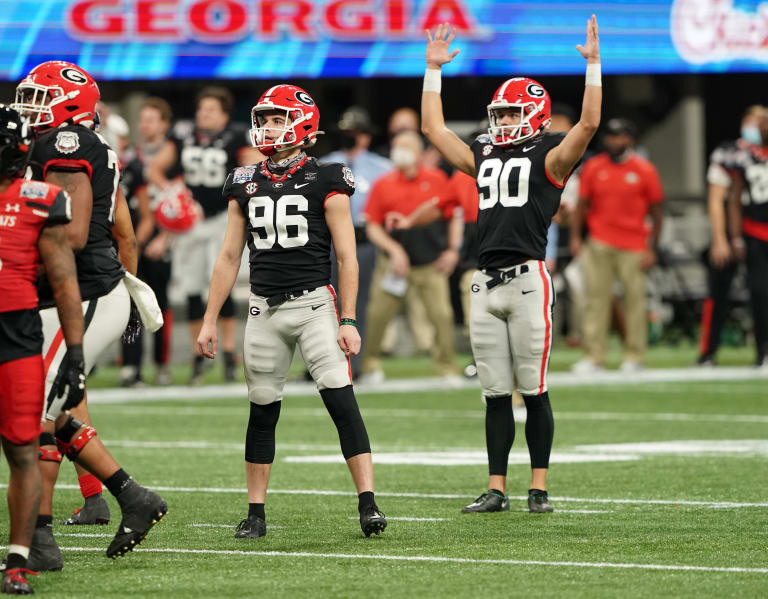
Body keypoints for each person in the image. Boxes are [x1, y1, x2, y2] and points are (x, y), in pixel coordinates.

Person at [421, 17, 601, 512]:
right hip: (484, 282)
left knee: (533, 388)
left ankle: (538, 486)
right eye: (498, 114)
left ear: (537, 115)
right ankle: (496, 487)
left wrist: (593, 69)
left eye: (512, 113)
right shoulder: (483, 151)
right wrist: (432, 71)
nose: (501, 122)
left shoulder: (551, 154)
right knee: (494, 393)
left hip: (527, 280)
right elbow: (432, 129)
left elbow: (587, 125)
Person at [197, 84, 387, 538]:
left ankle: (368, 503)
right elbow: (228, 256)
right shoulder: (244, 180)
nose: (267, 127)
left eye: (277, 119)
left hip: (314, 304)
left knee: (341, 400)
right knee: (262, 410)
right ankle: (256, 513)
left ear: (301, 125)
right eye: (263, 119)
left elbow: (347, 256)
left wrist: (348, 318)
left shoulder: (328, 177)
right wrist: (209, 319)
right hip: (264, 309)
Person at [12, 60, 167, 568]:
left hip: (85, 292)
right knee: (51, 413)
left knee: (36, 414)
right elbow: (121, 227)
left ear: (68, 105)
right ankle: (131, 497)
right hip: (72, 293)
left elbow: (73, 235)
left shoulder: (69, 143)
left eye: (40, 97)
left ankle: (39, 538)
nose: (29, 107)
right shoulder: (65, 146)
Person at [0, 105, 85, 596]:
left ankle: (17, 560)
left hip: (16, 336)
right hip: (18, 334)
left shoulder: (40, 200)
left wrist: (74, 352)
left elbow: (64, 280)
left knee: (22, 447)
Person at [148, 87, 262, 384]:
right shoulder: (184, 134)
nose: (204, 114)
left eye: (211, 110)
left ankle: (226, 353)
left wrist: (240, 195)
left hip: (224, 217)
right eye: (201, 109)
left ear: (224, 114)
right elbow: (155, 170)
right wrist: (174, 193)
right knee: (191, 288)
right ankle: (199, 356)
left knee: (220, 284)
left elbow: (256, 168)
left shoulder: (237, 135)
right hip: (191, 221)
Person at [360, 130, 461, 382]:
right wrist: (394, 251)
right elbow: (372, 225)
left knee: (442, 316)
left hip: (430, 263)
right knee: (377, 315)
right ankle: (370, 365)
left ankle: (447, 367)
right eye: (396, 146)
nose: (398, 151)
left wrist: (452, 249)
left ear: (419, 152)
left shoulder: (437, 178)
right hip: (393, 265)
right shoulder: (383, 183)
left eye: (404, 146)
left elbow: (453, 215)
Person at [570, 118, 663, 373]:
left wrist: (652, 247)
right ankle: (594, 356)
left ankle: (634, 355)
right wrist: (576, 237)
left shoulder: (644, 170)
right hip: (599, 242)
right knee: (595, 300)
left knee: (635, 301)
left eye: (620, 136)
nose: (614, 141)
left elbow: (657, 212)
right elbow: (582, 206)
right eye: (611, 136)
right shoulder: (593, 167)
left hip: (634, 244)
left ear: (630, 140)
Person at [321, 107, 392, 377]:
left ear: (365, 136)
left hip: (363, 239)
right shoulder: (326, 164)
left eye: (354, 132)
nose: (349, 137)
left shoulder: (381, 168)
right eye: (345, 133)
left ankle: (357, 364)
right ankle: (322, 361)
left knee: (359, 302)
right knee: (325, 302)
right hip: (329, 241)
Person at [699, 105, 767, 366]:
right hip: (735, 231)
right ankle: (708, 351)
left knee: (762, 293)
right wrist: (720, 238)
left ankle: (763, 351)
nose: (756, 126)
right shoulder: (729, 153)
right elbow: (720, 200)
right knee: (718, 292)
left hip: (759, 231)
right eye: (751, 120)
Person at [119, 97, 175, 387]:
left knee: (161, 303)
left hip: (160, 233)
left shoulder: (174, 155)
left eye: (152, 119)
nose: (145, 125)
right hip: (135, 232)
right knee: (132, 303)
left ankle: (162, 365)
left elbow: (181, 201)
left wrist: (166, 236)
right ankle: (131, 367)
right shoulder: (130, 158)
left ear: (165, 123)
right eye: (143, 119)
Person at [720, 112, 768, 368]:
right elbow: (734, 200)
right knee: (760, 294)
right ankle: (763, 351)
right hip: (757, 231)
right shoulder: (744, 158)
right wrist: (736, 237)